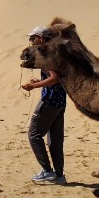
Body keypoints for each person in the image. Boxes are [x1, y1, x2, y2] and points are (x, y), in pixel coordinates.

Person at [21, 25, 67, 185]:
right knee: (54, 140)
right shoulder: (56, 51)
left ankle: (47, 171)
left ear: (40, 38)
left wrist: (34, 86)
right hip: (60, 102)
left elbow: (54, 78)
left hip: (50, 101)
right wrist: (40, 81)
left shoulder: (48, 54)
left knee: (34, 134)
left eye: (33, 38)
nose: (31, 42)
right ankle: (59, 176)